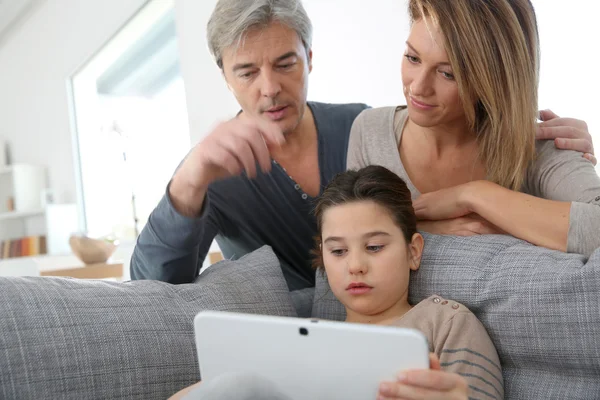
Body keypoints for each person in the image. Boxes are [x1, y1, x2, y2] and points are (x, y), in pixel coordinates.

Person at [130, 0, 596, 289]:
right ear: (224, 77)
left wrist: (522, 145)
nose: (269, 88)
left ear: (310, 58)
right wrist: (189, 179)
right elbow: (151, 284)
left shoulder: (356, 125)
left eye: (286, 63)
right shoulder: (217, 172)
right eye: (247, 72)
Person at [169, 166, 502, 400]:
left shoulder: (445, 322)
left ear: (413, 251)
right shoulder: (308, 339)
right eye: (339, 251)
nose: (355, 266)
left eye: (374, 247)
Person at [348, 0, 600, 256]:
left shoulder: (541, 146)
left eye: (447, 74)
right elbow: (348, 240)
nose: (417, 88)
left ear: (494, 79)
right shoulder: (370, 131)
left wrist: (474, 195)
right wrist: (425, 227)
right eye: (413, 58)